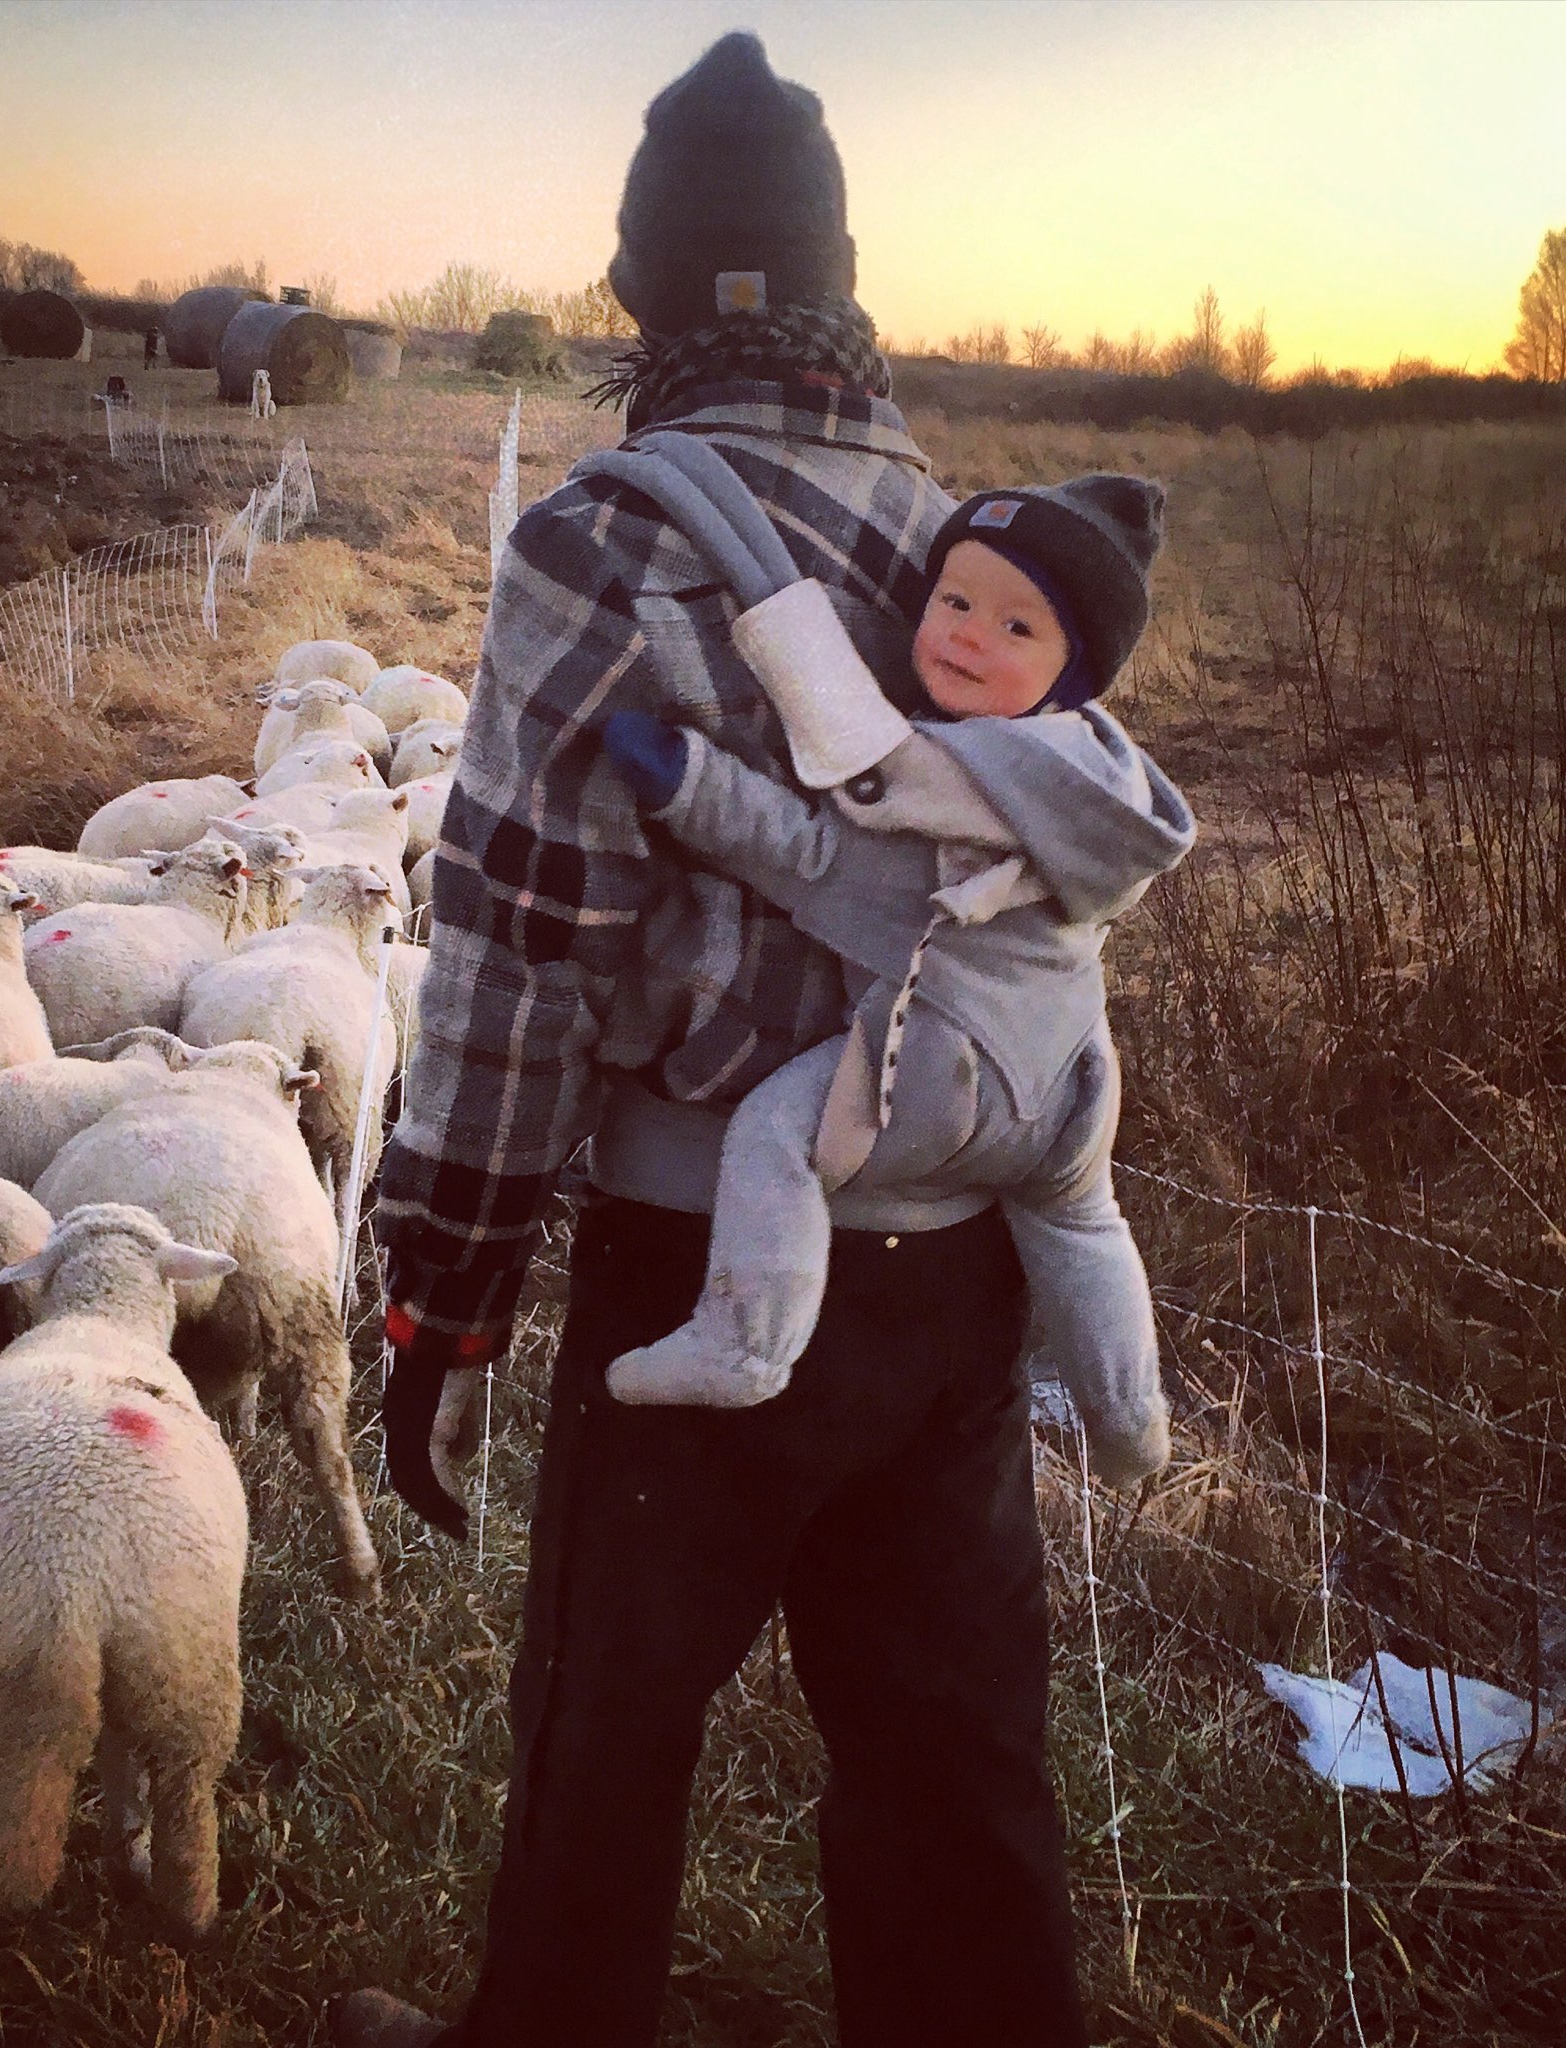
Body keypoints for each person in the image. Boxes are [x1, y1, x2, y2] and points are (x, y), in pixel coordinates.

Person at [340, 30, 1094, 2048]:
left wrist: (450, 1277)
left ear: (641, 295)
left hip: (692, 1259)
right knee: (951, 1757)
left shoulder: (602, 538)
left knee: (606, 1738)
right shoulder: (971, 555)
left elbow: (519, 940)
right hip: (949, 1266)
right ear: (842, 284)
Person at [592, 454, 1193, 1494]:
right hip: (1069, 1080)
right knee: (1082, 1221)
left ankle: (743, 1341)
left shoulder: (956, 782)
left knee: (775, 1138)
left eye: (1016, 627)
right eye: (953, 598)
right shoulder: (1101, 783)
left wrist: (687, 782)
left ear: (1072, 669)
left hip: (941, 1067)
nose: (966, 631)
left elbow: (809, 853)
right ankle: (1131, 1418)